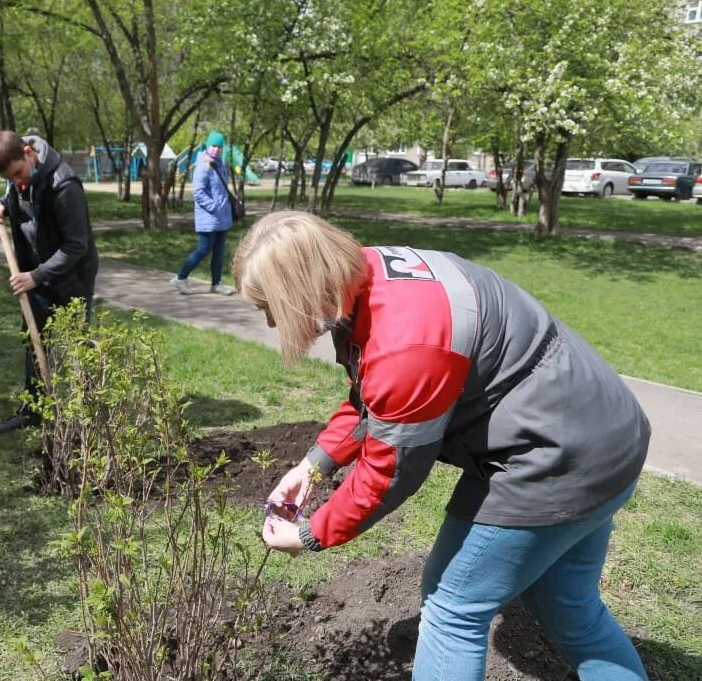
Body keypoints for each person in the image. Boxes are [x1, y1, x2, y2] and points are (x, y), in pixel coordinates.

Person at [235, 211, 651, 681]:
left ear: (304, 289)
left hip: (558, 458)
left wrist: (311, 534)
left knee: (453, 607)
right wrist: (314, 466)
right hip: (606, 432)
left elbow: (388, 475)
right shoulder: (371, 273)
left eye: (270, 305)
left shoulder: (406, 343)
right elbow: (377, 399)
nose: (272, 321)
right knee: (567, 603)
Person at [0, 130, 99, 434]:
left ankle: (88, 414)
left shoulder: (64, 184)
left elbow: (77, 246)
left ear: (28, 152)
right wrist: (1, 204)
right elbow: (16, 198)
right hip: (35, 276)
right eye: (10, 178)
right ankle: (34, 412)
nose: (18, 182)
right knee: (34, 340)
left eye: (19, 173)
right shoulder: (17, 177)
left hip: (72, 275)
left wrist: (35, 276)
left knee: (77, 344)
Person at [170, 130, 237, 296]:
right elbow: (198, 192)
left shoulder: (220, 164)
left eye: (219, 146)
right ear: (208, 145)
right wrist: (214, 207)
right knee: (203, 249)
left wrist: (224, 209)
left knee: (219, 252)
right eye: (214, 145)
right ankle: (181, 277)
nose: (216, 149)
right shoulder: (203, 164)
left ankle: (216, 284)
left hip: (222, 217)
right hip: (209, 217)